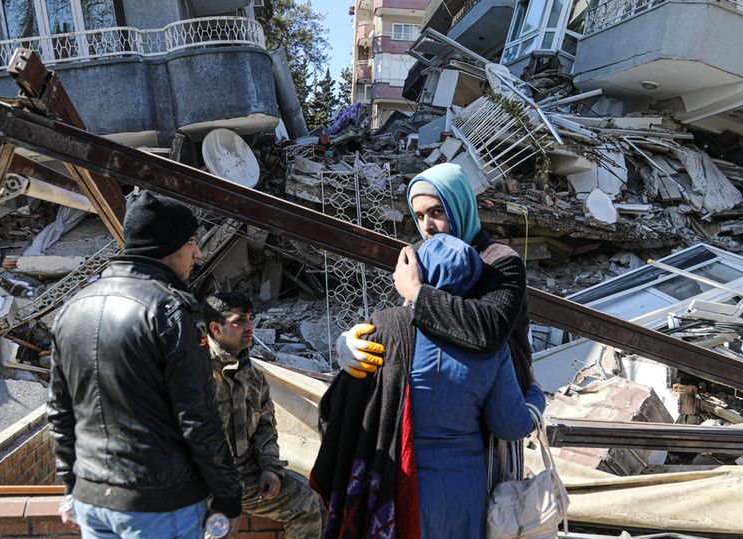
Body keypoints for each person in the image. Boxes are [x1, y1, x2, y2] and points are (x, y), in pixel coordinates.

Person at [313, 234, 544, 538]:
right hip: (465, 491)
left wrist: (345, 345)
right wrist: (536, 398)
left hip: (399, 480)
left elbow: (342, 409)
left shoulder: (385, 328)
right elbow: (511, 425)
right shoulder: (489, 347)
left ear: (415, 272)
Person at [48, 190, 244, 539]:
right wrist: (228, 496)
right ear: (168, 246)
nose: (198, 253)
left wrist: (71, 485)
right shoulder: (171, 312)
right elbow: (197, 416)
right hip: (159, 506)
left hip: (92, 501)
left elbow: (60, 412)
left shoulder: (73, 308)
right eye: (192, 242)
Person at [337, 162, 535, 481]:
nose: (427, 225)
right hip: (428, 423)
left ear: (460, 206)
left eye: (436, 212)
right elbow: (405, 323)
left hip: (494, 422)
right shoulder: (421, 255)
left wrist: (417, 291)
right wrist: (351, 343)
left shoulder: (500, 261)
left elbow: (489, 329)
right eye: (419, 216)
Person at [202, 291, 322, 539]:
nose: (248, 327)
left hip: (245, 477)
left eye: (250, 319)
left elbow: (265, 427)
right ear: (216, 328)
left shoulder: (253, 376)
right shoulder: (194, 372)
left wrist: (270, 468)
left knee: (306, 501)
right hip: (204, 483)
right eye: (239, 321)